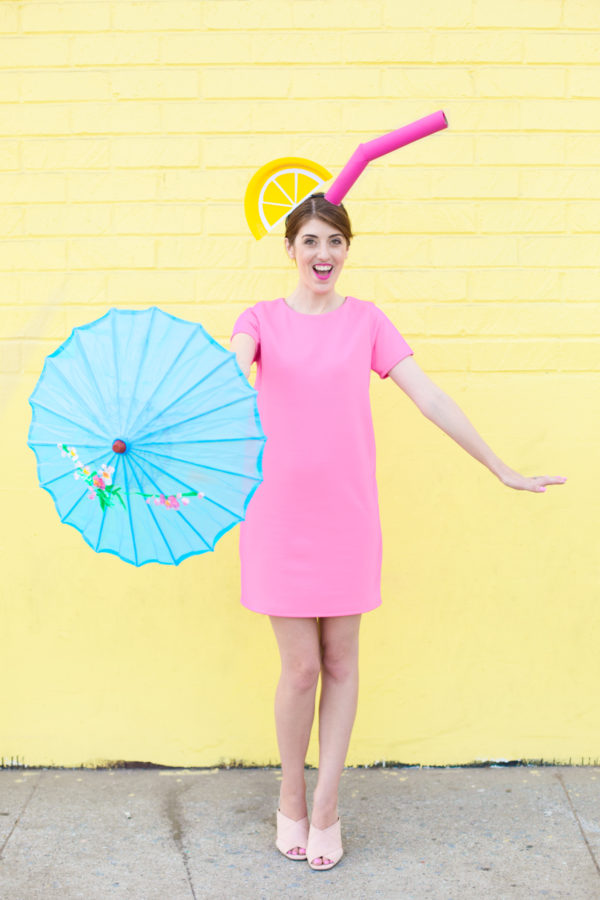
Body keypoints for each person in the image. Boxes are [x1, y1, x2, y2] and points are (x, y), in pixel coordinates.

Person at [229, 192, 567, 871]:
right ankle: (289, 797)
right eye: (311, 241)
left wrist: (499, 466)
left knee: (342, 663)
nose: (323, 254)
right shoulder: (259, 320)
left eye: (335, 241)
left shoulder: (369, 323)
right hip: (277, 516)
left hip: (347, 518)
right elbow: (225, 383)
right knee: (299, 669)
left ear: (347, 249)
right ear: (289, 250)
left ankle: (326, 805)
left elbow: (430, 396)